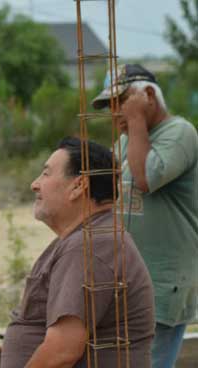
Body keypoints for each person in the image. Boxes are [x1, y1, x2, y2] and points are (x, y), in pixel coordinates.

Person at [0, 137, 155, 368]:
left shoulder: (89, 246)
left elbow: (61, 352)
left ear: (78, 186)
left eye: (46, 174)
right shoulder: (89, 238)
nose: (35, 184)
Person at [92, 64, 198, 368]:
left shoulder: (179, 133)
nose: (115, 115)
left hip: (163, 282)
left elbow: (146, 179)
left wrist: (136, 119)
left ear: (148, 95)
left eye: (121, 103)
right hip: (131, 280)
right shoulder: (128, 140)